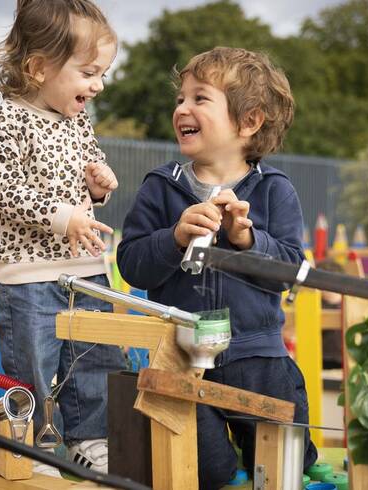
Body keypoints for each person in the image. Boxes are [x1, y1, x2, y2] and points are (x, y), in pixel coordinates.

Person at [116, 47, 317, 489]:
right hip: (181, 359)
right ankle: (226, 468)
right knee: (205, 471)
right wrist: (174, 237)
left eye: (200, 98)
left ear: (249, 122)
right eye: (181, 98)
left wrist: (248, 240)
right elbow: (132, 265)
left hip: (258, 357)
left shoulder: (274, 190)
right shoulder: (160, 187)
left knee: (288, 462)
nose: (182, 108)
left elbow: (290, 270)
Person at [0, 0, 125, 475]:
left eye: (102, 74)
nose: (98, 85)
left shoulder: (78, 121)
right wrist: (64, 217)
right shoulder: (6, 123)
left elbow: (88, 167)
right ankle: (37, 443)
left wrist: (98, 184)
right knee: (34, 365)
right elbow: (7, 193)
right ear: (39, 68)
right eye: (88, 72)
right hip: (29, 274)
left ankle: (91, 440)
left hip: (86, 269)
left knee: (94, 358)